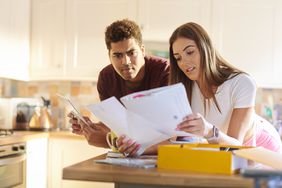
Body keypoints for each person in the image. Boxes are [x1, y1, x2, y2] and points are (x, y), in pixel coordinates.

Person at [169, 22, 282, 152]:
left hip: (261, 146)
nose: (184, 63)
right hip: (221, 148)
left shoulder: (241, 83)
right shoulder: (184, 89)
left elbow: (235, 145)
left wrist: (209, 130)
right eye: (178, 58)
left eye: (190, 52)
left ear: (206, 48)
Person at [68, 19, 170, 155]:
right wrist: (91, 128)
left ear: (143, 50)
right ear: (109, 56)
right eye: (117, 55)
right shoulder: (106, 78)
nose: (125, 62)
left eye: (131, 53)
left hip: (162, 156)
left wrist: (107, 140)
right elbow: (114, 127)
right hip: (128, 157)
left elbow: (167, 133)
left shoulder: (165, 72)